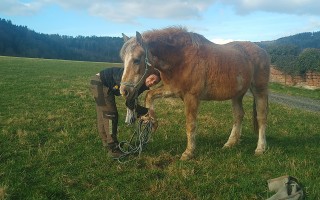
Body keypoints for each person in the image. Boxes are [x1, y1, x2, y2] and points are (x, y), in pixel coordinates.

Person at [90, 67, 160, 157]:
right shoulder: (135, 79)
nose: (151, 82)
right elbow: (129, 102)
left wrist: (141, 113)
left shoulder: (141, 84)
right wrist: (145, 112)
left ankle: (107, 143)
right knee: (110, 115)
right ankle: (113, 149)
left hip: (97, 82)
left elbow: (131, 101)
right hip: (100, 83)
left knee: (103, 115)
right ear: (146, 75)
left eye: (155, 82)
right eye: (152, 79)